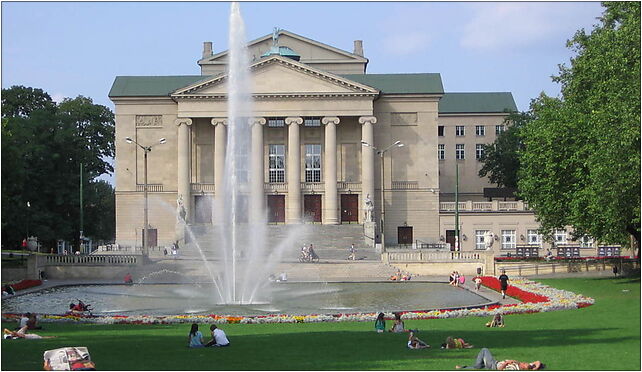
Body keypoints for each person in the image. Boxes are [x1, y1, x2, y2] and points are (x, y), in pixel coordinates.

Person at [456, 348, 542, 370]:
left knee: (484, 350)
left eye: (524, 363)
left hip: (494, 365)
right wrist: (534, 368)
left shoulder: (514, 369)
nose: (524, 362)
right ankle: (464, 367)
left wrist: (507, 362)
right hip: (494, 362)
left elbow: (500, 369)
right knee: (482, 363)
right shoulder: (521, 365)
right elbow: (537, 362)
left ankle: (475, 366)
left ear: (523, 367)